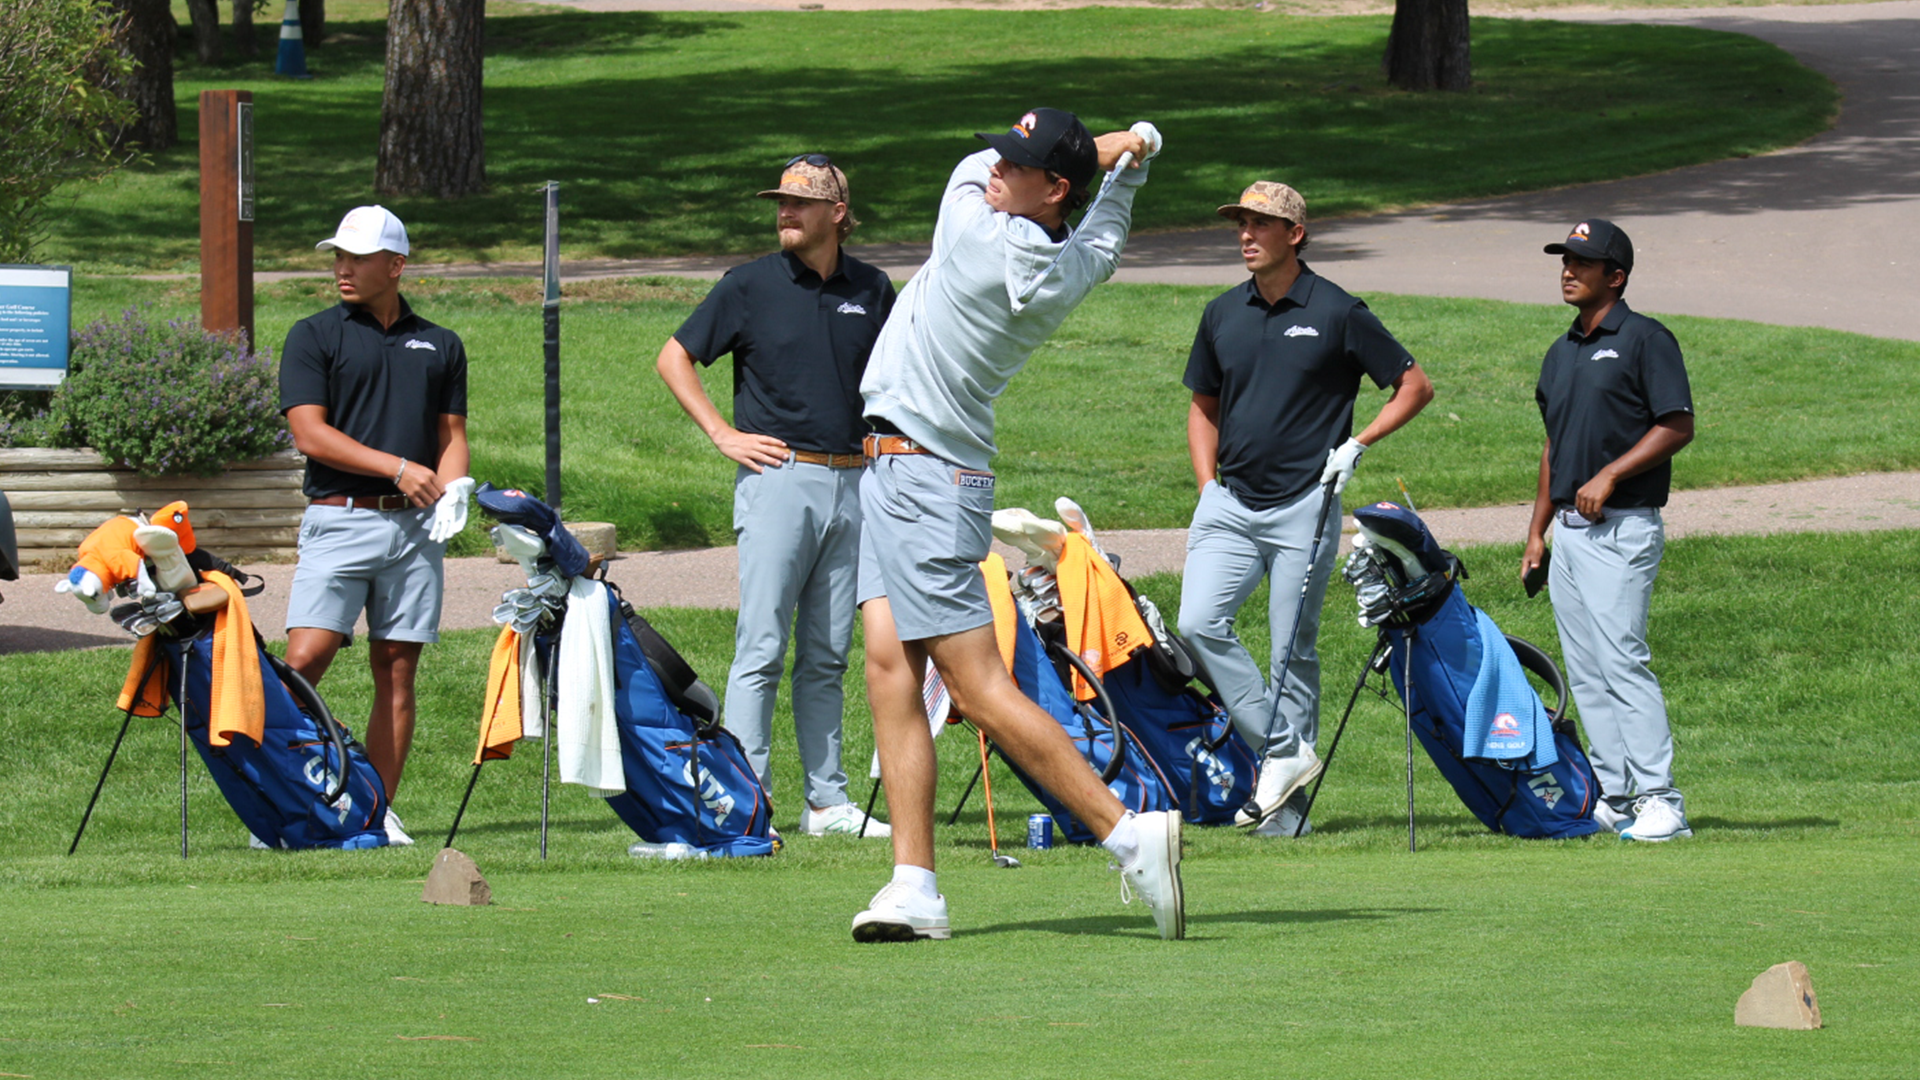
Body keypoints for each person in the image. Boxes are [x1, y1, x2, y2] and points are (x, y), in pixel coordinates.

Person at [852, 108, 1185, 942]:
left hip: (922, 478)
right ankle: (915, 884)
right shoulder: (1069, 259)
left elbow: (971, 165)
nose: (996, 167)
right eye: (1002, 153)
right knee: (891, 669)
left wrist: (1122, 144)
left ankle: (1128, 834)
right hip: (911, 474)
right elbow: (1102, 243)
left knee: (976, 687)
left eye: (1019, 163)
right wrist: (1131, 168)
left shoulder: (975, 230)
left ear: (1055, 188)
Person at [1177, 181, 1434, 837]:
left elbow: (1414, 386)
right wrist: (1207, 485)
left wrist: (1359, 442)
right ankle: (1285, 751)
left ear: (1294, 234)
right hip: (1229, 502)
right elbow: (1203, 406)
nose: (1246, 234)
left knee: (1293, 651)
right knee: (1199, 623)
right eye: (1240, 223)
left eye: (1260, 224)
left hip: (1306, 505)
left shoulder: (1338, 310)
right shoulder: (1222, 313)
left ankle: (1287, 811)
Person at [656, 155, 896, 838]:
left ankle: (826, 802)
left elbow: (898, 377)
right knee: (761, 644)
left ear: (837, 214)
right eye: (780, 202)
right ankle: (747, 799)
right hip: (779, 478)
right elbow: (674, 357)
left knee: (827, 653)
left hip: (856, 480)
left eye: (801, 202)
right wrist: (722, 433)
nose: (785, 212)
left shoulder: (874, 289)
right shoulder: (748, 285)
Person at [279, 205, 472, 846]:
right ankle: (284, 801)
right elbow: (310, 433)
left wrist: (455, 488)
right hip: (340, 521)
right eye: (337, 256)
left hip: (416, 532)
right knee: (304, 662)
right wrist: (397, 469)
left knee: (397, 669)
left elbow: (451, 436)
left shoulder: (441, 343)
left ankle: (373, 813)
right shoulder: (314, 335)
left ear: (395, 266)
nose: (342, 268)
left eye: (356, 258)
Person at [1520, 218, 1695, 842]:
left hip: (1621, 528)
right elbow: (1553, 445)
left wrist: (1610, 476)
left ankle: (1662, 800)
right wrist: (1537, 531)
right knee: (1587, 668)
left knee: (1623, 662)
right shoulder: (1561, 350)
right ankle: (1616, 793)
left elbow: (1677, 424)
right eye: (1565, 260)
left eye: (1582, 263)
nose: (1568, 270)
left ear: (1614, 276)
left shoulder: (1647, 339)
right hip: (1567, 534)